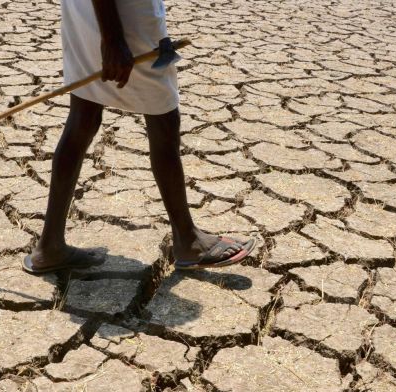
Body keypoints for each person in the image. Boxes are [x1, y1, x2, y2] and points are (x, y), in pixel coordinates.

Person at [22, 0, 256, 274]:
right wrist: (112, 38)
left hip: (86, 11)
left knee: (83, 115)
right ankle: (188, 240)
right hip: (124, 16)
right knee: (163, 118)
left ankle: (50, 246)